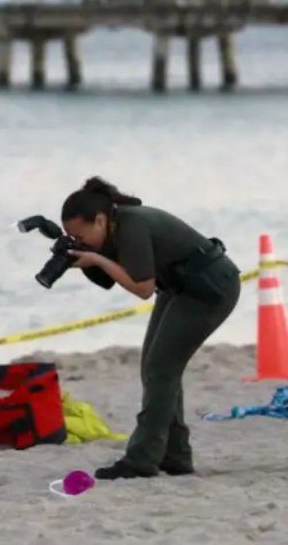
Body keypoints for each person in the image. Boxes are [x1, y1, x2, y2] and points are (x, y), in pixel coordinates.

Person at [59, 177, 241, 480]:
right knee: (154, 368)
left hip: (210, 288)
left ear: (101, 220)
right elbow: (112, 278)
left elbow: (142, 288)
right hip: (178, 287)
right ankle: (176, 456)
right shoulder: (115, 227)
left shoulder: (131, 225)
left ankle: (142, 460)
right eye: (72, 236)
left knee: (161, 369)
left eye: (81, 234)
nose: (80, 241)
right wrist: (85, 259)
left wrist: (96, 259)